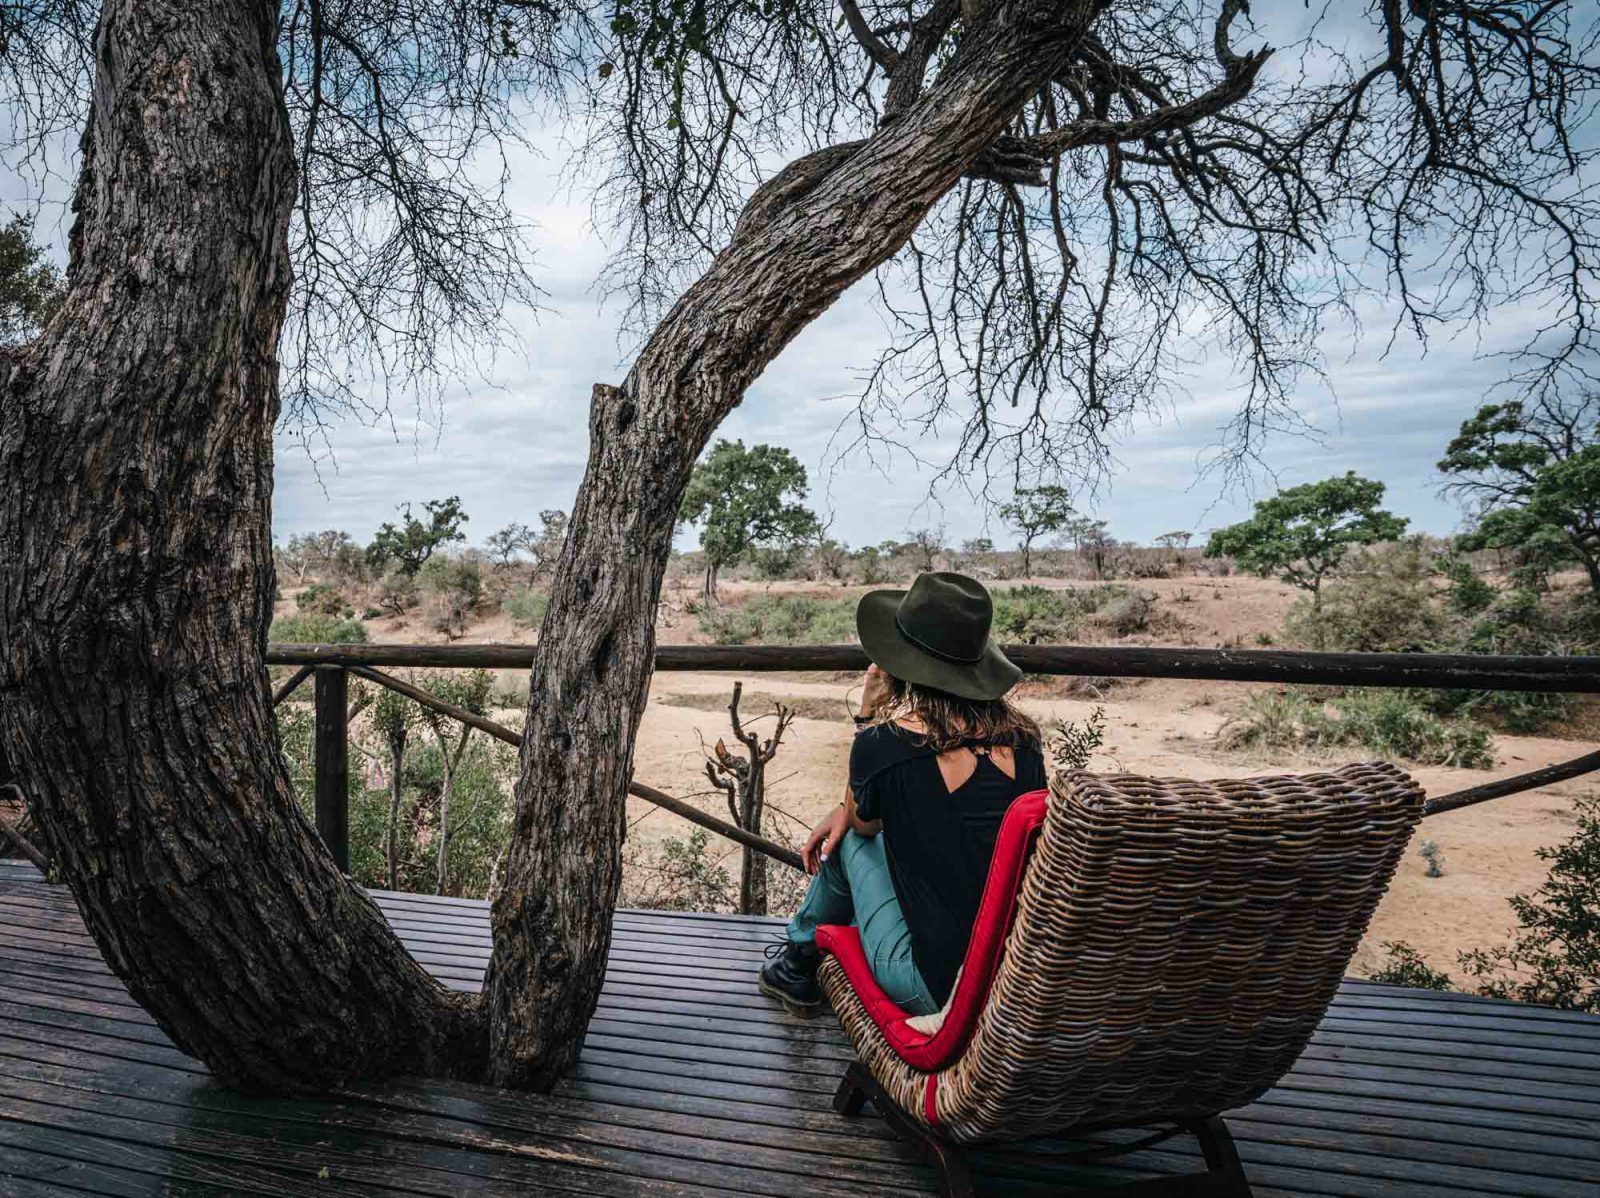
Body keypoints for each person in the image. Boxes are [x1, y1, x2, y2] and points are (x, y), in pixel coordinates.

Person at [758, 571, 1045, 1017]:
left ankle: (798, 959)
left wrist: (866, 717)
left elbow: (863, 824)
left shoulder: (888, 744)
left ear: (902, 664)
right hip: (1013, 978)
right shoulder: (1025, 742)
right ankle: (798, 956)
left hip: (934, 985)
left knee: (852, 838)